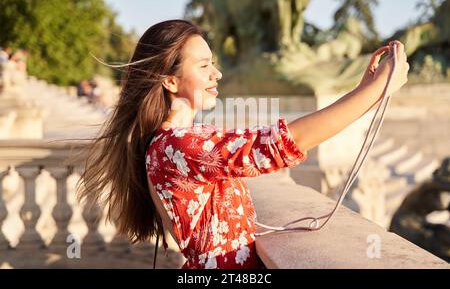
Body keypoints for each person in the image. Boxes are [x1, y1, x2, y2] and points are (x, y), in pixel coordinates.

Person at [77, 20, 409, 269]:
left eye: (213, 63)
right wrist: (376, 90)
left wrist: (364, 88)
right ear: (171, 80)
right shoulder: (178, 145)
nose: (217, 74)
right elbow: (283, 144)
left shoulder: (173, 142)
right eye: (204, 66)